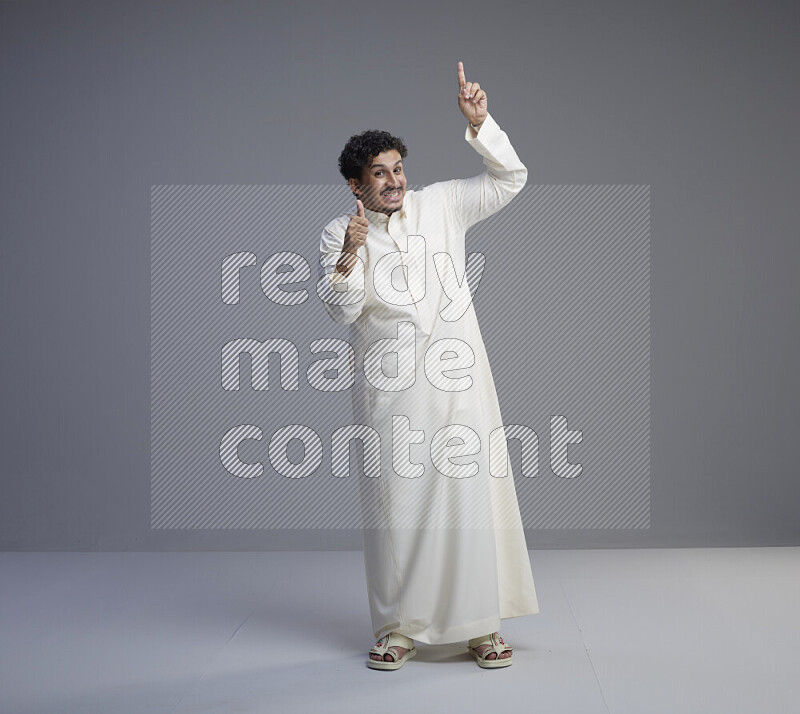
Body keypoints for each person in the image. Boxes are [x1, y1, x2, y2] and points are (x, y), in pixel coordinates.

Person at [317, 61, 539, 670]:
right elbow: (340, 312)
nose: (393, 181)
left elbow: (510, 179)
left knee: (469, 500)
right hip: (391, 392)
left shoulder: (442, 205)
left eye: (397, 169)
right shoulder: (342, 231)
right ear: (357, 186)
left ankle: (482, 626)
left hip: (460, 384)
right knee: (398, 506)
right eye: (378, 174)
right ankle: (397, 629)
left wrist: (480, 123)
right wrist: (346, 259)